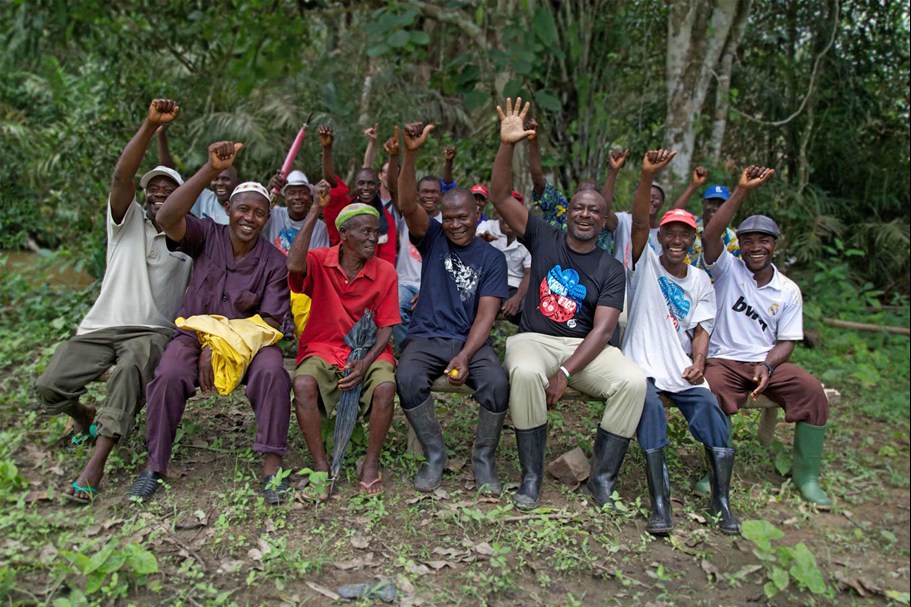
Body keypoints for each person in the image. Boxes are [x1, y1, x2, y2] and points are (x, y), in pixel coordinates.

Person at [34, 99, 193, 504]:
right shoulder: (127, 222)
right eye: (153, 190)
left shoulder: (191, 241)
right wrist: (149, 126)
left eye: (168, 190)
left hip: (152, 332)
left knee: (129, 373)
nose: (159, 195)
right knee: (50, 386)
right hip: (103, 326)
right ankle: (83, 417)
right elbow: (123, 176)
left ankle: (95, 467)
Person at [491, 98, 646, 511]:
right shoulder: (544, 235)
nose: (585, 214)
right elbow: (500, 193)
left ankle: (602, 479)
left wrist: (565, 371)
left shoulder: (611, 267)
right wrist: (508, 144)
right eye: (578, 207)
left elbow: (603, 330)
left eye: (594, 210)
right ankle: (531, 476)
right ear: (568, 212)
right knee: (523, 372)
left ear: (603, 218)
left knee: (633, 382)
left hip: (583, 351)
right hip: (535, 340)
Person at [128, 142, 292, 504]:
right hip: (192, 336)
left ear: (267, 218)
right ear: (228, 210)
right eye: (243, 209)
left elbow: (269, 322)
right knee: (169, 373)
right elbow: (167, 217)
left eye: (260, 213)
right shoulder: (205, 235)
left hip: (248, 346)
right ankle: (154, 466)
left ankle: (272, 469)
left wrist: (220, 345)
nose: (250, 218)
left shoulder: (273, 262)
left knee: (272, 372)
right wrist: (208, 169)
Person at [622, 150, 739, 535]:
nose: (675, 239)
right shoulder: (645, 263)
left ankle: (720, 498)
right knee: (650, 408)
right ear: (661, 237)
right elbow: (639, 220)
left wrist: (700, 362)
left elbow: (702, 329)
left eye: (683, 234)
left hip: (679, 364)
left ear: (692, 239)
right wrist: (645, 176)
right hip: (640, 363)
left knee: (708, 406)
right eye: (669, 233)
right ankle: (660, 502)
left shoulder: (701, 280)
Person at [701, 166, 832, 510]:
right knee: (712, 390)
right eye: (748, 241)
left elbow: (787, 342)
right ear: (739, 245)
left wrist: (768, 364)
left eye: (764, 241)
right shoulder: (727, 268)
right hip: (724, 360)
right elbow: (710, 235)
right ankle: (716, 469)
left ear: (775, 245)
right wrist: (740, 191)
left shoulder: (787, 289)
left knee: (813, 392)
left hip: (763, 363)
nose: (755, 247)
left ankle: (806, 476)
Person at [395, 121, 511, 495]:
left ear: (477, 215)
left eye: (464, 217)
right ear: (441, 217)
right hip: (427, 336)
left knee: (495, 383)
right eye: (450, 218)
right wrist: (410, 154)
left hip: (469, 341)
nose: (456, 224)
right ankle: (434, 455)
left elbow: (486, 315)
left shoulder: (492, 258)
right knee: (408, 378)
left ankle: (483, 458)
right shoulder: (432, 237)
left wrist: (464, 354)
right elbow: (406, 203)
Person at [287, 200, 400, 497]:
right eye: (365, 232)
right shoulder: (319, 260)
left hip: (369, 351)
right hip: (325, 346)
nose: (373, 238)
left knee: (386, 387)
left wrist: (366, 362)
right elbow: (293, 266)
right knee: (303, 383)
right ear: (344, 234)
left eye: (375, 232)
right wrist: (314, 210)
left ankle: (371, 463)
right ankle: (321, 466)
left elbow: (387, 326)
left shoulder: (385, 271)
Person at [526, 118, 614, 252]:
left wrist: (613, 171)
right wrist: (532, 142)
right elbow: (538, 180)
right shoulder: (559, 205)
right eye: (581, 193)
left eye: (592, 197)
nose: (585, 213)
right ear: (573, 195)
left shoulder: (601, 219)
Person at [318, 125, 397, 266]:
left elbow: (387, 262)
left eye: (370, 184)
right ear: (355, 186)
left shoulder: (386, 220)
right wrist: (327, 149)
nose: (366, 188)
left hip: (371, 279)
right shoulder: (345, 208)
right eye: (361, 183)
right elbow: (332, 183)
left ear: (378, 186)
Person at [156, 125, 234, 224]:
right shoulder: (204, 199)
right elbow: (171, 175)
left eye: (226, 179)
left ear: (236, 182)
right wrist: (160, 135)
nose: (220, 183)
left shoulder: (243, 205)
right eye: (215, 179)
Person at [603, 149, 666, 265]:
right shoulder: (624, 221)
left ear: (662, 203)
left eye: (655, 197)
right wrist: (613, 172)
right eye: (646, 196)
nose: (650, 200)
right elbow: (603, 212)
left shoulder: (664, 232)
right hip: (622, 282)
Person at [670, 176, 742, 275]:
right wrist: (694, 185)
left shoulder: (731, 239)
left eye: (721, 204)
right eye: (712, 203)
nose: (715, 208)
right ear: (703, 203)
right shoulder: (689, 227)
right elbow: (673, 216)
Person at [476, 213, 531, 325]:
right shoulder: (487, 227)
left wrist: (518, 298)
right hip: (488, 282)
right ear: (497, 214)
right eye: (505, 214)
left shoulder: (527, 237)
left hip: (514, 287)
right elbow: (476, 245)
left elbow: (528, 273)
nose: (509, 220)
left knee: (526, 310)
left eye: (513, 215)